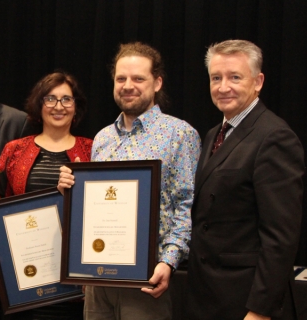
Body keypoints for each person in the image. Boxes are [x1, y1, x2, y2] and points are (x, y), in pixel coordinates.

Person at [58, 42, 201, 320]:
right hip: (98, 278)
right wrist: (72, 191)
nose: (128, 85)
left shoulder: (180, 134)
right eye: (121, 78)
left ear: (157, 82)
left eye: (138, 78)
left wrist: (168, 262)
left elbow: (187, 206)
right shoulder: (102, 139)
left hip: (147, 279)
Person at [186, 40, 305, 320]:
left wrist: (260, 311)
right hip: (206, 297)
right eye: (216, 78)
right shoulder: (214, 133)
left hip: (246, 302)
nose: (223, 87)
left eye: (235, 77)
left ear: (258, 81)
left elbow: (280, 238)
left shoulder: (274, 137)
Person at [0, 72, 92, 319]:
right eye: (50, 99)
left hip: (76, 281)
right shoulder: (14, 149)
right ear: (39, 105)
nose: (59, 106)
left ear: (76, 106)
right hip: (23, 278)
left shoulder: (93, 149)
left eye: (66, 99)